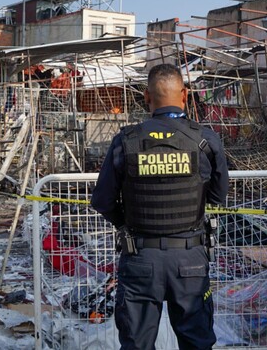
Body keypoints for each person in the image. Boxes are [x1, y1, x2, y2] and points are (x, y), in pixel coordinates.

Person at [91, 64, 229, 350]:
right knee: (197, 343)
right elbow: (217, 196)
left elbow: (103, 201)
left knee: (137, 344)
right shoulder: (205, 140)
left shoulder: (125, 141)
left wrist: (125, 223)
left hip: (140, 257)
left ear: (146, 97)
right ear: (185, 95)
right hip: (190, 258)